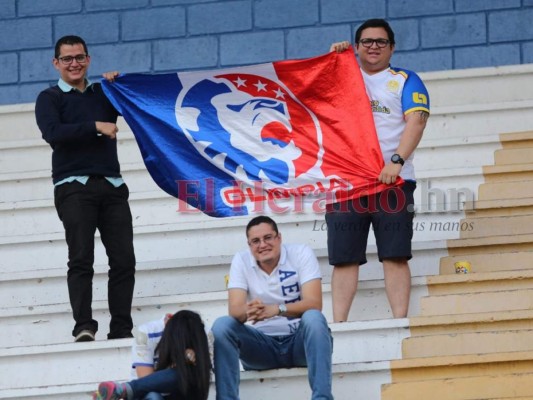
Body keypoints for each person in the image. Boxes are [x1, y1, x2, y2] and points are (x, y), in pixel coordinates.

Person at [327, 19, 430, 321]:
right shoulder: (343, 77)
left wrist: (395, 162)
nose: (374, 46)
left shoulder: (406, 79)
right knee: (343, 259)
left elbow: (418, 121)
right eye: (367, 41)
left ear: (392, 48)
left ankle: (399, 321)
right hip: (347, 184)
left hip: (393, 183)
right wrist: (332, 58)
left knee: (395, 255)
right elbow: (314, 92)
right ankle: (339, 326)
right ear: (356, 47)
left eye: (381, 42)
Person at [34, 35, 136, 342]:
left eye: (79, 57)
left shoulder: (103, 93)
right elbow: (53, 133)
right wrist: (95, 126)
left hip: (112, 185)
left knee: (124, 260)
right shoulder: (49, 97)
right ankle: (84, 326)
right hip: (72, 187)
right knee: (81, 258)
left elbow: (138, 104)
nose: (74, 63)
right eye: (67, 59)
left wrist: (120, 83)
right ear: (57, 63)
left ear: (88, 59)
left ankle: (121, 329)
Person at [211, 215, 334, 400]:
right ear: (249, 245)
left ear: (279, 238)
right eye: (255, 241)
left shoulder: (300, 253)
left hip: (300, 345)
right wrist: (248, 310)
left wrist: (277, 309)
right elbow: (234, 311)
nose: (262, 245)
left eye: (268, 238)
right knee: (222, 325)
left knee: (314, 318)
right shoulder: (241, 260)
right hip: (262, 348)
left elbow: (314, 303)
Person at [93, 310, 212, 400]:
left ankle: (123, 389)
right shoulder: (147, 332)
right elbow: (147, 381)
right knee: (154, 396)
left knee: (185, 373)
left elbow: (199, 383)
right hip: (148, 394)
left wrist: (187, 359)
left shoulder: (202, 333)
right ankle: (123, 390)